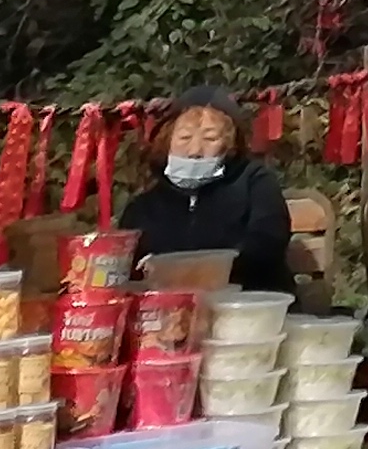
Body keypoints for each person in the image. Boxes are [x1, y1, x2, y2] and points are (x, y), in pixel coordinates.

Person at [114, 90, 297, 299]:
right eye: (184, 137)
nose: (195, 150)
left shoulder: (254, 182)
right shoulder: (144, 206)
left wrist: (199, 269)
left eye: (210, 138)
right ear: (167, 141)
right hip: (168, 310)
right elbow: (125, 264)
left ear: (229, 144)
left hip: (248, 303)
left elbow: (268, 242)